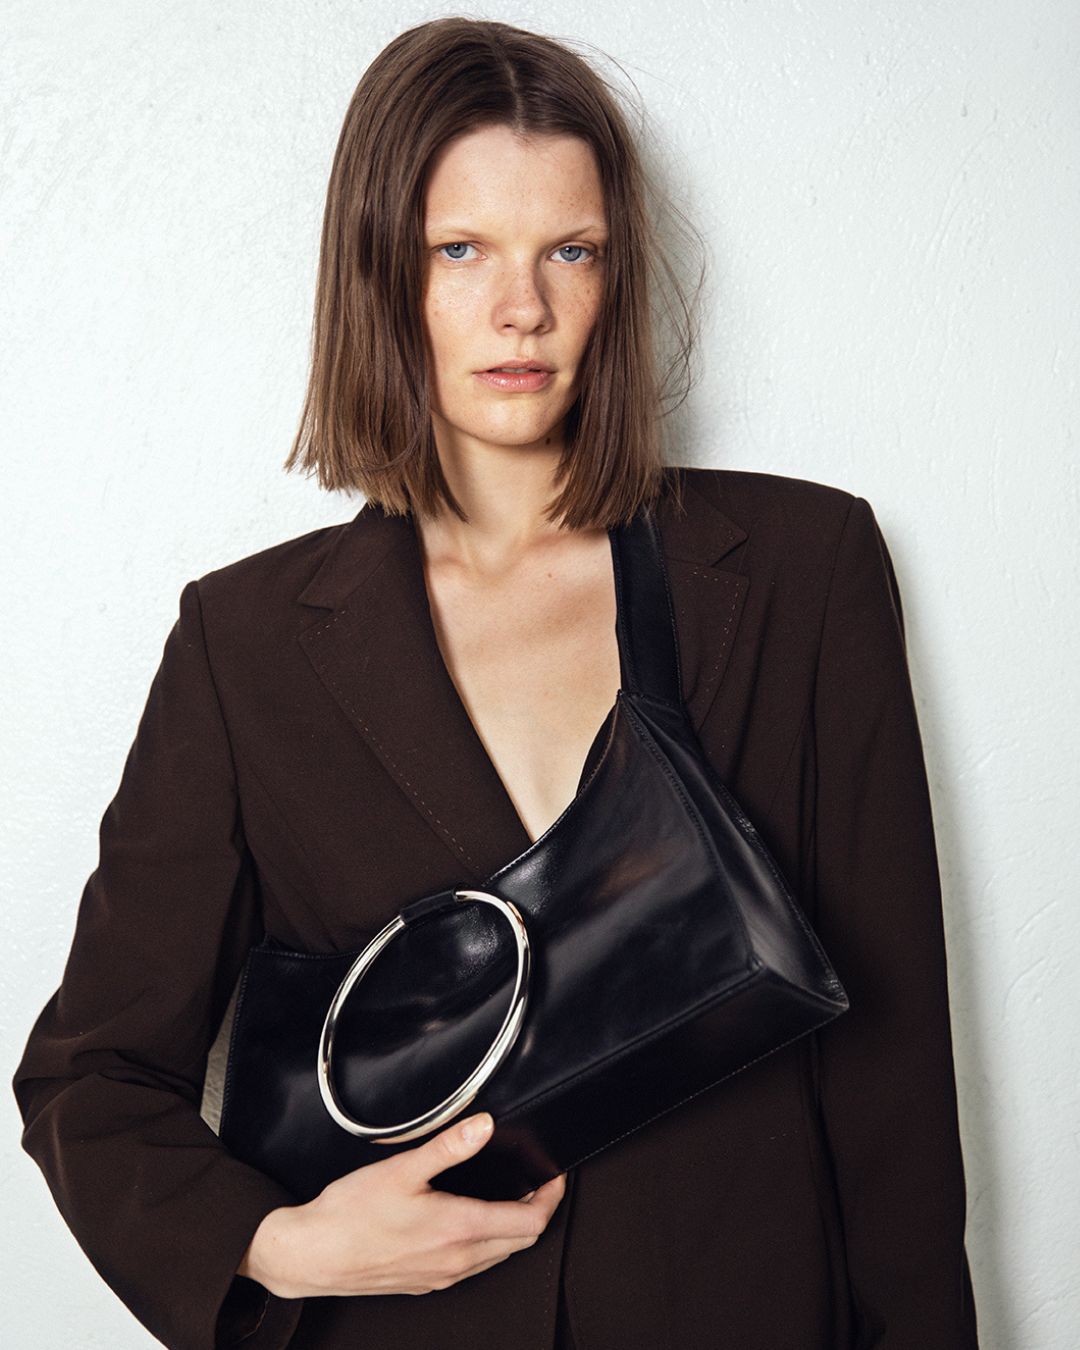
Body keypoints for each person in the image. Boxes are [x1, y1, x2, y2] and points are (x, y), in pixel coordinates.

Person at [11, 16, 980, 1350]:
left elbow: (891, 1071)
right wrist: (278, 1245)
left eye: (570, 250)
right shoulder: (245, 646)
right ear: (380, 275)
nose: (522, 307)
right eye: (459, 250)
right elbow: (92, 1076)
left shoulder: (803, 570)